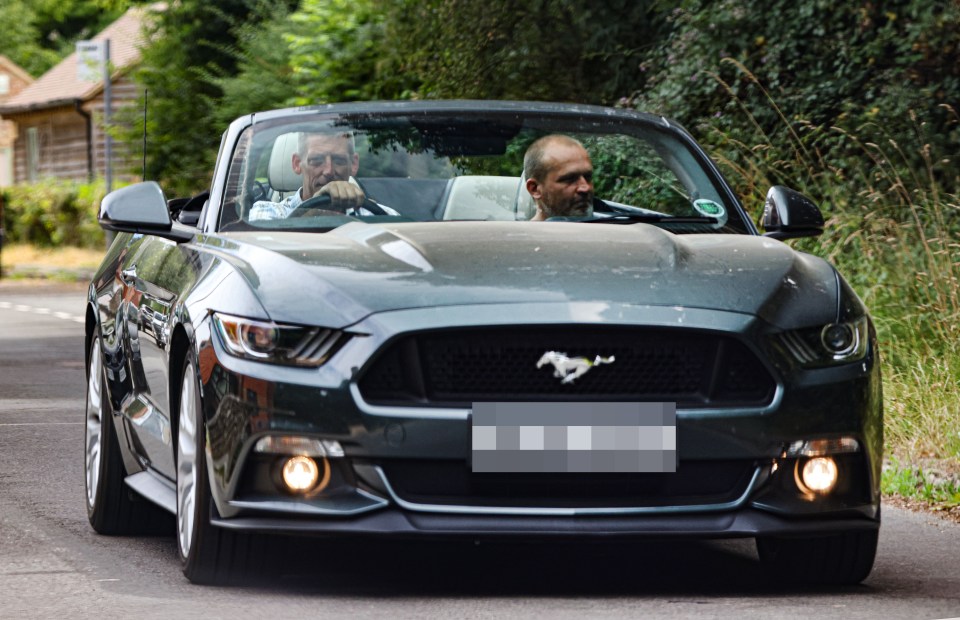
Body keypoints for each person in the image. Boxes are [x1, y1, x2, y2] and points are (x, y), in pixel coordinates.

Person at [249, 131, 395, 220]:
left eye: (339, 160)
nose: (329, 171)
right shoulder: (269, 214)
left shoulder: (381, 216)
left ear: (354, 164)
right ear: (297, 164)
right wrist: (316, 209)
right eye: (317, 160)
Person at [522, 134, 595, 221]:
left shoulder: (608, 226)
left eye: (588, 177)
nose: (585, 188)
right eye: (570, 179)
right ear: (535, 189)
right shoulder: (521, 234)